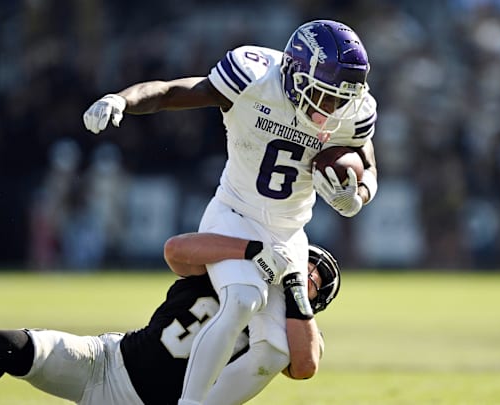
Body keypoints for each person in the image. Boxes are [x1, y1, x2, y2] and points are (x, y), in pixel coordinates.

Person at [82, 19, 377, 405]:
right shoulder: (253, 77)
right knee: (242, 299)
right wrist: (122, 99)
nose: (332, 109)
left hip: (289, 235)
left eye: (340, 98)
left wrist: (358, 196)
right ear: (294, 74)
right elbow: (172, 91)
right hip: (234, 214)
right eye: (323, 95)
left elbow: (367, 164)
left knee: (274, 351)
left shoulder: (352, 112)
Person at [0, 234, 341, 405]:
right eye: (307, 265)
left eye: (315, 281)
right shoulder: (234, 273)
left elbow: (305, 364)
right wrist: (248, 250)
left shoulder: (283, 328)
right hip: (108, 363)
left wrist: (295, 294)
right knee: (0, 345)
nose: (305, 276)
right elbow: (175, 251)